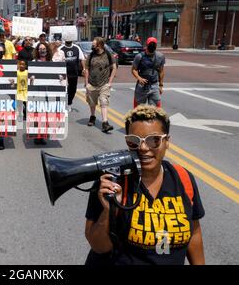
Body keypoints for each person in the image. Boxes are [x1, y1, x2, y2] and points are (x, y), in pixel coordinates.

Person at [85, 105, 205, 265]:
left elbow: (194, 233)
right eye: (134, 141)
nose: (143, 148)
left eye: (154, 140)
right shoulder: (111, 180)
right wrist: (109, 211)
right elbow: (99, 247)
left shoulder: (183, 178)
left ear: (167, 141)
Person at [85, 37, 116, 133]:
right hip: (92, 83)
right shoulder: (91, 55)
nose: (92, 46)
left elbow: (114, 68)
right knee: (92, 102)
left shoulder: (108, 54)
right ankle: (92, 116)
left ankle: (105, 123)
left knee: (104, 101)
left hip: (104, 84)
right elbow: (86, 68)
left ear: (100, 45)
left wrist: (110, 82)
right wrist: (86, 83)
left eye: (94, 45)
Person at [132, 37, 165, 108]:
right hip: (142, 86)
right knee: (139, 109)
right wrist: (139, 78)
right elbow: (134, 70)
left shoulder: (160, 56)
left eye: (154, 44)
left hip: (154, 85)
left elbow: (161, 71)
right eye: (151, 44)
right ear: (147, 45)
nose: (152, 46)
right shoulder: (139, 56)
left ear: (156, 46)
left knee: (155, 110)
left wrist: (161, 85)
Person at [59, 39, 87, 111]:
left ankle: (69, 103)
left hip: (74, 72)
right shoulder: (61, 49)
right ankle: (63, 103)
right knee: (64, 89)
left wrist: (84, 68)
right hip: (63, 73)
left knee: (73, 89)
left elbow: (82, 58)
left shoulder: (76, 48)